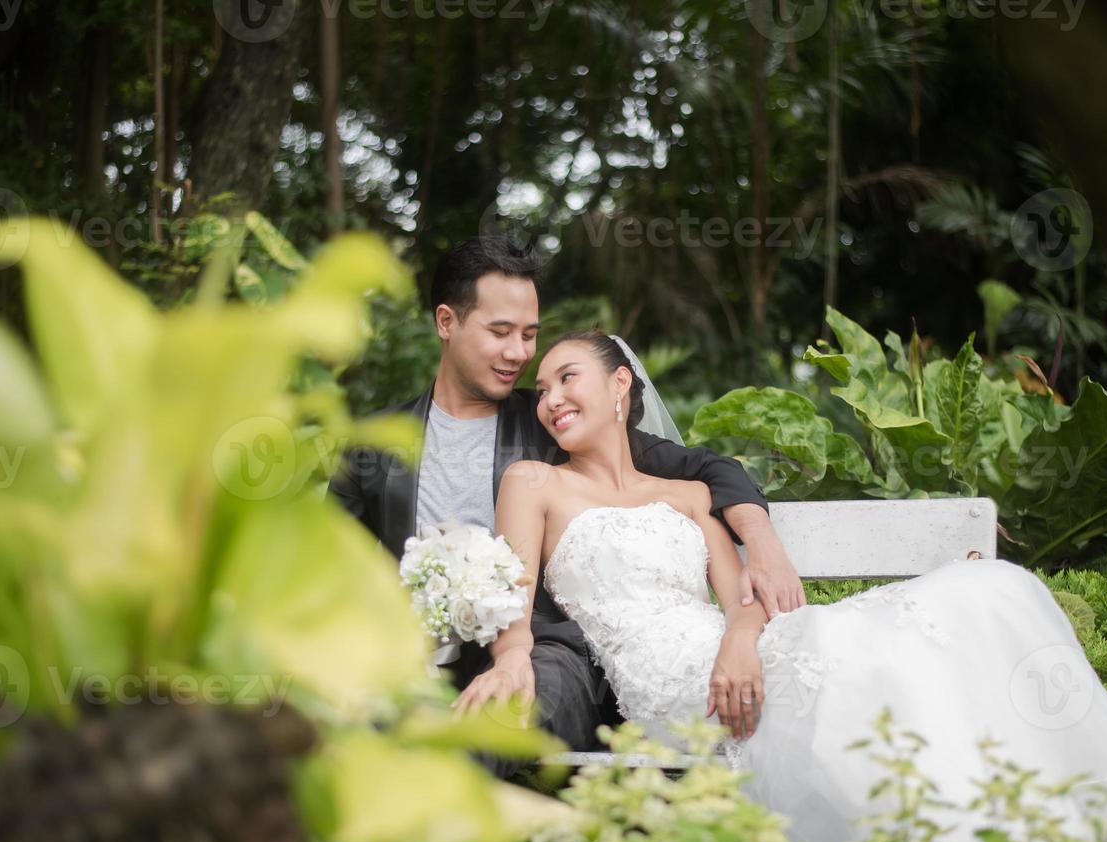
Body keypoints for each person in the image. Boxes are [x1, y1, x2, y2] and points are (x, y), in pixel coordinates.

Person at [480, 329, 1107, 842]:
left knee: (991, 593)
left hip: (740, 656)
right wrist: (511, 658)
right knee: (881, 666)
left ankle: (1043, 837)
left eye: (565, 378)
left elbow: (743, 599)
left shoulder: (689, 495)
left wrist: (738, 638)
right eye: (540, 391)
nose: (548, 401)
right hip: (676, 696)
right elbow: (511, 590)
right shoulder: (533, 486)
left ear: (619, 388)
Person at [329, 237, 803, 777]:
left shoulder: (555, 417)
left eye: (529, 334)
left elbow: (710, 470)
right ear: (446, 322)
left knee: (515, 712)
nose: (519, 353)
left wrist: (760, 542)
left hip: (540, 648)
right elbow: (331, 560)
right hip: (411, 655)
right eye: (500, 332)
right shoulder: (375, 445)